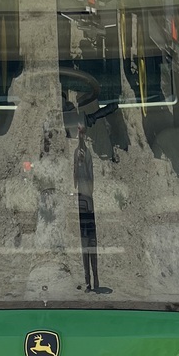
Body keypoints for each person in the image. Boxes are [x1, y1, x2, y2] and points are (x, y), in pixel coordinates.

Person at [73, 124, 101, 292]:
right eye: (79, 133)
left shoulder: (86, 153)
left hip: (87, 200)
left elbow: (89, 176)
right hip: (82, 199)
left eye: (82, 133)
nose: (80, 136)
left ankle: (95, 276)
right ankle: (88, 280)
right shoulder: (77, 153)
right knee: (85, 243)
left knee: (91, 242)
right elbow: (75, 174)